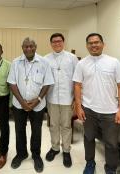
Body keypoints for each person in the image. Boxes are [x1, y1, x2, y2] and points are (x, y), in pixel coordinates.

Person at [73, 33, 120, 174]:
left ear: (103, 44)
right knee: (89, 138)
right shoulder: (81, 64)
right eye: (90, 43)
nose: (94, 45)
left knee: (111, 144)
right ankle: (90, 163)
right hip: (89, 110)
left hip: (110, 112)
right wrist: (78, 107)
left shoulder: (114, 62)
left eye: (97, 42)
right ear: (87, 46)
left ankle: (110, 169)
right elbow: (77, 86)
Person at [7, 37, 54, 173]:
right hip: (19, 104)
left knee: (36, 131)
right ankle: (21, 154)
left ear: (35, 47)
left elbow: (47, 83)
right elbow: (12, 83)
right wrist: (22, 102)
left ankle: (36, 155)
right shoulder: (16, 62)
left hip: (38, 105)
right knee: (19, 130)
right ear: (22, 48)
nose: (28, 49)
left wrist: (37, 100)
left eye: (31, 46)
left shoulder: (44, 62)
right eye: (26, 46)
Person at [44, 33, 78, 168]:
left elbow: (77, 80)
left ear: (63, 42)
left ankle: (66, 150)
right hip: (51, 98)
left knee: (66, 126)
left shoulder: (72, 58)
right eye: (54, 41)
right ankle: (55, 148)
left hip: (67, 98)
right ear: (51, 43)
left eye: (59, 41)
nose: (57, 43)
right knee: (53, 125)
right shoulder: (45, 59)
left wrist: (76, 99)